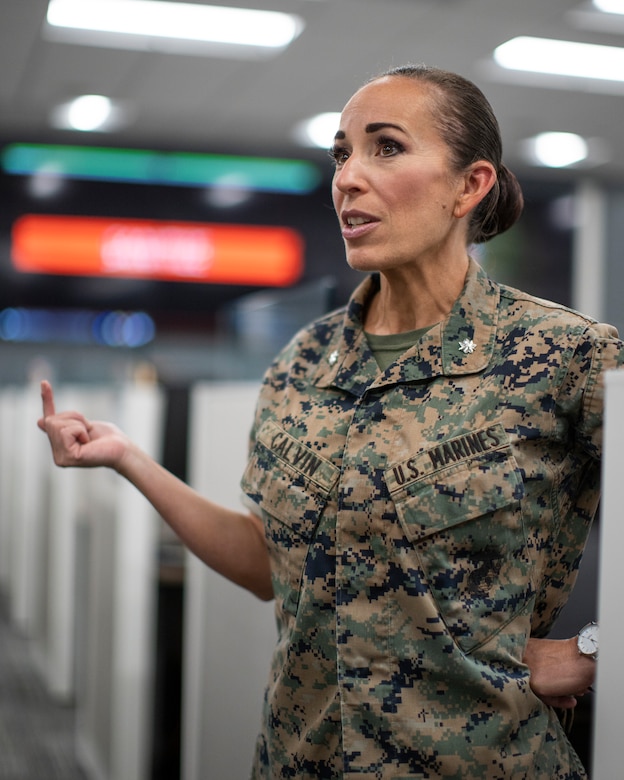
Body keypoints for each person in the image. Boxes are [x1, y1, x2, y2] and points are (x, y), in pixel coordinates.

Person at [38, 64, 622, 779]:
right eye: (341, 153)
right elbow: (268, 566)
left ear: (470, 186)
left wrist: (597, 650)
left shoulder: (565, 355)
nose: (348, 177)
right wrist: (130, 458)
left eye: (386, 148)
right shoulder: (304, 359)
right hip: (300, 757)